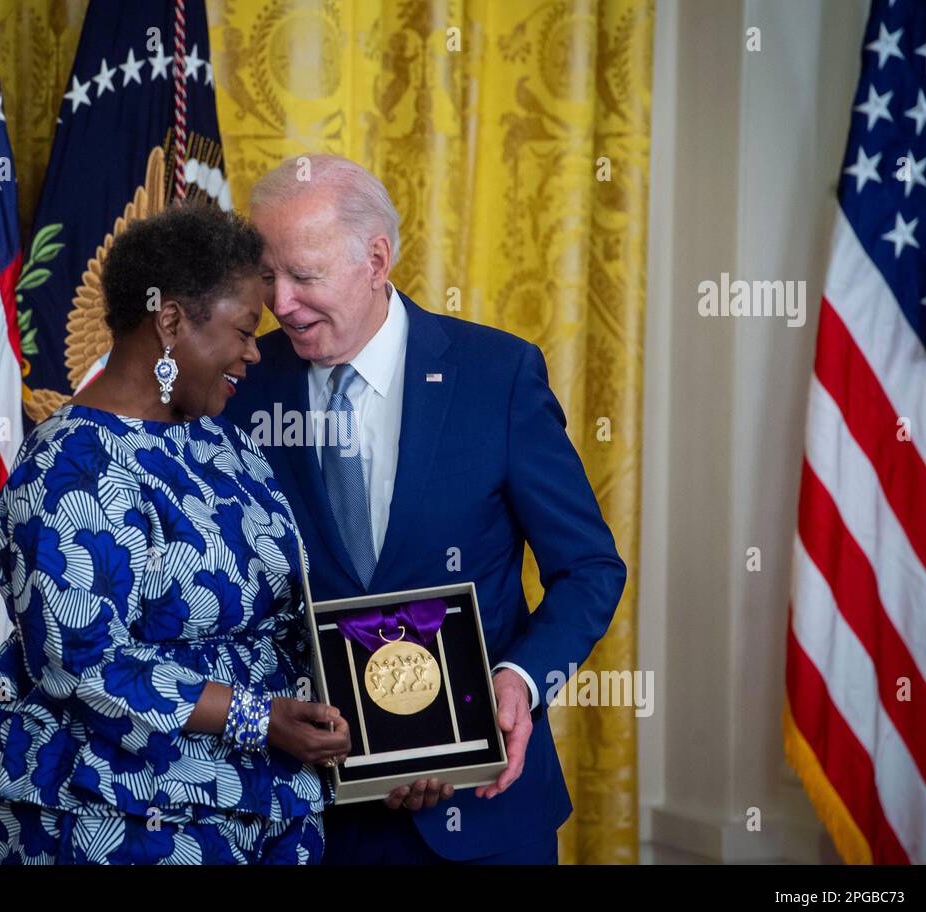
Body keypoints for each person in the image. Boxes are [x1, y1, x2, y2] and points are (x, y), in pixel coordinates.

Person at [223, 155, 627, 865]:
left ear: (376, 258)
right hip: (308, 819)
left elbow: (590, 568)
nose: (279, 302)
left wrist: (518, 682)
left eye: (304, 275)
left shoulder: (496, 376)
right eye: (266, 274)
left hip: (486, 811)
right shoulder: (242, 386)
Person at [0, 203, 351, 865]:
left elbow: (289, 616)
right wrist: (259, 717)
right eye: (245, 330)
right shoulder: (70, 465)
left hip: (271, 806)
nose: (255, 352)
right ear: (170, 321)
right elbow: (84, 663)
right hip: (129, 814)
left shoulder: (227, 446)